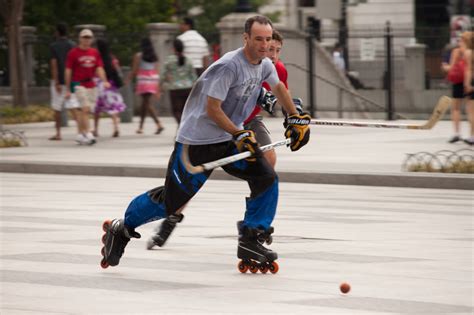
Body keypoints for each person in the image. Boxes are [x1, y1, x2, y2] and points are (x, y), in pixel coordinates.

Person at [100, 15, 311, 271]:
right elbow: (213, 109)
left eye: (268, 39)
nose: (265, 45)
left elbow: (279, 91)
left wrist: (296, 117)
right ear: (246, 38)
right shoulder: (229, 67)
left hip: (228, 139)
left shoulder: (265, 65)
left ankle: (251, 237)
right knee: (172, 203)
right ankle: (121, 228)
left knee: (265, 177)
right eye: (258, 39)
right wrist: (239, 133)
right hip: (196, 144)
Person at [144, 29, 291, 250]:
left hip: (250, 122)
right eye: (269, 49)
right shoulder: (237, 65)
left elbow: (282, 96)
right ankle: (172, 217)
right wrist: (260, 95)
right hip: (226, 125)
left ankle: (252, 225)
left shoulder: (276, 69)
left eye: (277, 50)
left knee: (268, 163)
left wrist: (295, 114)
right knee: (190, 182)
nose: (272, 55)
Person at [65, 29, 110, 145]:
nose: (86, 40)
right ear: (80, 39)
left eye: (88, 37)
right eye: (84, 37)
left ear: (92, 39)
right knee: (85, 108)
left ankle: (80, 134)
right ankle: (88, 133)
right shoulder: (73, 53)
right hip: (78, 84)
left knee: (84, 111)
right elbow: (68, 70)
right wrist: (67, 88)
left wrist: (104, 80)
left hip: (91, 84)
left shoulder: (95, 53)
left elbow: (99, 68)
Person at [127, 37, 164, 134]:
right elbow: (157, 70)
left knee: (146, 103)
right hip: (153, 80)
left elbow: (134, 70)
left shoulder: (139, 56)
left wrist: (128, 78)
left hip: (143, 80)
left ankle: (157, 124)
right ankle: (142, 126)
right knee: (145, 104)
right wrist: (158, 86)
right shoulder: (155, 57)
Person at [92, 39, 126, 138]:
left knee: (97, 108)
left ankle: (95, 129)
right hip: (111, 85)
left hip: (99, 84)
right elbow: (117, 71)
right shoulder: (112, 58)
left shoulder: (96, 58)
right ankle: (116, 128)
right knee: (113, 107)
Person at [48, 23, 75, 141]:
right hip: (72, 80)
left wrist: (56, 81)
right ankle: (83, 130)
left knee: (57, 108)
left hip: (60, 80)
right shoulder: (73, 45)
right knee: (74, 107)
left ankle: (58, 133)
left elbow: (54, 65)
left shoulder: (54, 46)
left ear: (58, 32)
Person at [161, 39, 197, 125]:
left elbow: (163, 74)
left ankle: (181, 127)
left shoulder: (169, 60)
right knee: (186, 110)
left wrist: (160, 86)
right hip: (188, 88)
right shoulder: (188, 60)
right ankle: (184, 129)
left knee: (176, 111)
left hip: (174, 88)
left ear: (174, 48)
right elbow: (194, 76)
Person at [444, 34, 468, 143]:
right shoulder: (471, 51)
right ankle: (472, 135)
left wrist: (445, 67)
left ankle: (457, 133)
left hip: (458, 82)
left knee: (456, 108)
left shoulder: (457, 52)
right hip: (470, 81)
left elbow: (451, 68)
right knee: (471, 110)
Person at [462, 31, 474, 145]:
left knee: (471, 112)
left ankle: (472, 135)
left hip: (472, 82)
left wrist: (467, 84)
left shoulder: (468, 53)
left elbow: (468, 70)